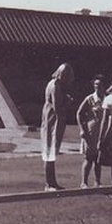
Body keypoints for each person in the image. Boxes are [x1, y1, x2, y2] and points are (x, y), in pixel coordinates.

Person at [41, 63, 75, 191]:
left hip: (53, 121)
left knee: (52, 153)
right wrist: (68, 102)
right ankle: (49, 184)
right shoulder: (55, 86)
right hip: (51, 122)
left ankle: (52, 182)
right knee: (49, 152)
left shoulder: (57, 85)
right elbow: (57, 107)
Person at [76, 74, 105, 188]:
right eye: (96, 84)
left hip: (101, 132)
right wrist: (82, 129)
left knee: (98, 158)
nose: (98, 86)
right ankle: (84, 182)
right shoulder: (90, 99)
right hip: (90, 131)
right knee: (89, 157)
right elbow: (79, 113)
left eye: (100, 84)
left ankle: (97, 181)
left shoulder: (106, 99)